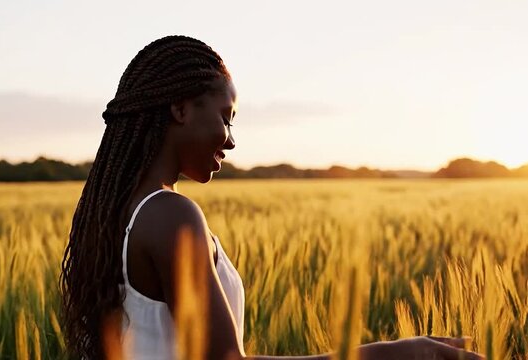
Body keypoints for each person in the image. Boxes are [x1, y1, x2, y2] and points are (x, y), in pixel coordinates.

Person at [59, 35, 484, 360]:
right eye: (226, 118)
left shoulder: (119, 213)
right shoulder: (171, 215)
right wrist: (392, 353)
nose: (230, 141)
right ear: (181, 108)